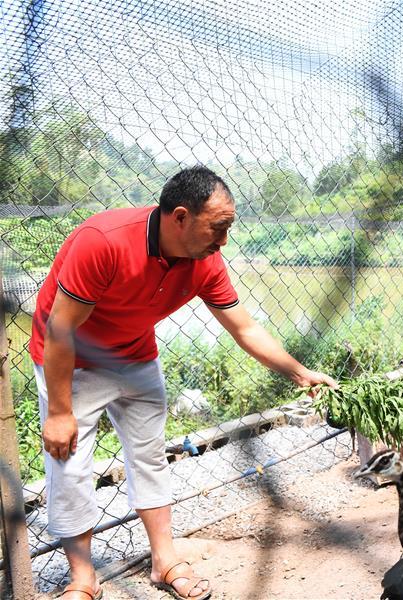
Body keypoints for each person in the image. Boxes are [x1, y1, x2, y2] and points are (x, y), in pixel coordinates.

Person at [30, 166, 337, 600]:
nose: (224, 241)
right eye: (218, 227)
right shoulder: (103, 241)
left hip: (135, 355)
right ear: (180, 217)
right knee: (70, 464)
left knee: (150, 455)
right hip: (73, 360)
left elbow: (245, 328)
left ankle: (165, 560)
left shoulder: (205, 261)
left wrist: (300, 372)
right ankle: (83, 579)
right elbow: (60, 331)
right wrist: (60, 412)